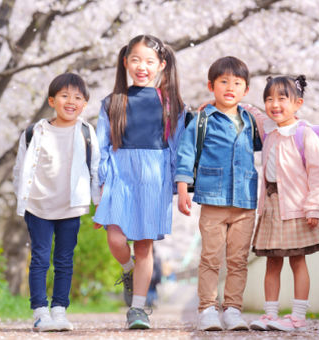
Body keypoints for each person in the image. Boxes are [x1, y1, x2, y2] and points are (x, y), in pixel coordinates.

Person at [92, 34, 185, 329]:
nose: (141, 66)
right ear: (125, 62)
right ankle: (128, 270)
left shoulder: (170, 104)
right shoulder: (112, 102)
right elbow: (101, 145)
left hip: (153, 177)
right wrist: (102, 184)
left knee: (144, 246)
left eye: (149, 61)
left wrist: (176, 184)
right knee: (116, 239)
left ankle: (138, 309)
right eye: (135, 60)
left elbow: (178, 145)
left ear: (161, 65)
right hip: (119, 174)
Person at [175, 56, 260, 331]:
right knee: (211, 257)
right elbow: (186, 153)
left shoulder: (251, 121)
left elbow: (271, 139)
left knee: (238, 260)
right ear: (211, 85)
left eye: (237, 83)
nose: (229, 87)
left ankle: (233, 309)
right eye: (223, 82)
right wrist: (182, 188)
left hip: (245, 200)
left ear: (245, 90)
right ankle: (207, 309)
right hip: (213, 198)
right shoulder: (202, 120)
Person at [13, 73, 101, 332]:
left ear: (84, 104)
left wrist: (99, 207)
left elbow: (95, 170)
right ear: (52, 100)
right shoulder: (34, 132)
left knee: (64, 259)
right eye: (64, 96)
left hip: (70, 206)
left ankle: (59, 310)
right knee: (39, 258)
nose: (71, 101)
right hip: (38, 206)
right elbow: (20, 169)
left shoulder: (86, 132)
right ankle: (40, 311)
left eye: (77, 97)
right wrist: (22, 200)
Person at [248, 75, 319, 332]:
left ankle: (297, 316)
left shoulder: (304, 134)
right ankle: (270, 314)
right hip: (271, 207)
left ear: (297, 103)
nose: (274, 104)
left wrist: (313, 206)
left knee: (297, 261)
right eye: (269, 99)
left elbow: (317, 173)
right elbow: (254, 114)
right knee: (272, 262)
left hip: (296, 209)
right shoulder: (269, 131)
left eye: (282, 98)